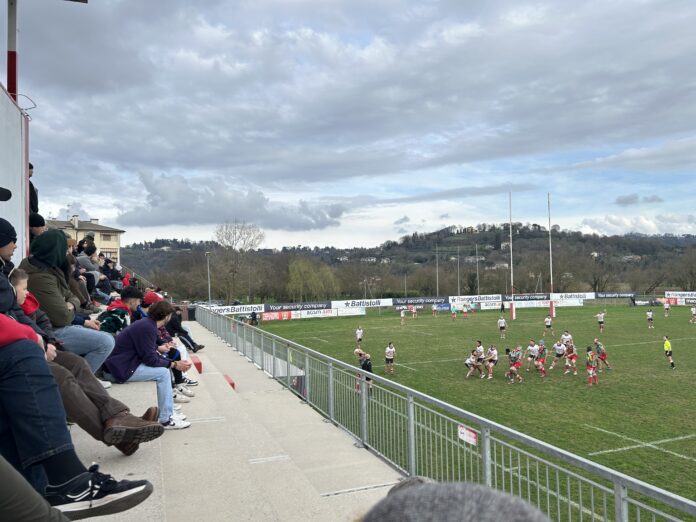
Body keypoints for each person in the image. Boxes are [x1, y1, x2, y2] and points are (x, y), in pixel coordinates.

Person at [10, 268, 163, 456]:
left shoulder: (23, 303)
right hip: (22, 354)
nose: (27, 292)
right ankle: (123, 437)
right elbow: (29, 326)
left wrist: (46, 339)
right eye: (23, 289)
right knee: (64, 378)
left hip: (41, 346)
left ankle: (117, 415)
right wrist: (37, 340)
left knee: (77, 363)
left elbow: (42, 319)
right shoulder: (10, 305)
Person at [0, 334, 153, 518]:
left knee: (75, 362)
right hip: (20, 343)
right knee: (33, 360)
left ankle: (117, 417)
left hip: (30, 336)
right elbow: (57, 314)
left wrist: (43, 336)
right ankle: (72, 479)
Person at [18, 230, 115, 375]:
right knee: (106, 342)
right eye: (64, 249)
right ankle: (81, 383)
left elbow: (70, 296)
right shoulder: (40, 277)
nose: (67, 252)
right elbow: (62, 316)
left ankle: (85, 381)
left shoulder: (46, 267)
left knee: (104, 334)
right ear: (54, 250)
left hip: (56, 324)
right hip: (51, 331)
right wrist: (70, 305)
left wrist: (74, 309)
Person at [103, 300, 192, 429]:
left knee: (164, 368)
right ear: (167, 316)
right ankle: (166, 419)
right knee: (163, 372)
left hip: (124, 364)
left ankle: (170, 410)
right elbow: (150, 359)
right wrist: (174, 364)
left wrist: (159, 349)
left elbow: (146, 350)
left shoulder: (147, 324)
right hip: (119, 370)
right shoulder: (148, 327)